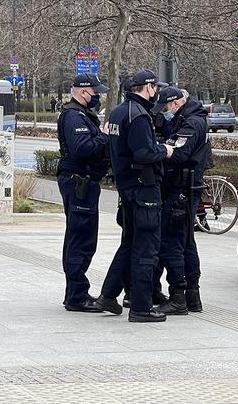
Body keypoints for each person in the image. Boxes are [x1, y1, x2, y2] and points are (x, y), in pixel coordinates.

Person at [95, 69, 174, 323]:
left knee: (129, 244)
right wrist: (165, 150)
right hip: (143, 189)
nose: (157, 93)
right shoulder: (139, 115)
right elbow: (143, 153)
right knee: (145, 248)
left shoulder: (119, 112)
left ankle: (108, 295)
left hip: (128, 188)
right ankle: (140, 306)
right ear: (148, 88)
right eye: (156, 88)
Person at [152, 87, 209, 314]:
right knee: (186, 242)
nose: (165, 112)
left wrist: (158, 149)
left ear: (175, 103)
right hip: (185, 188)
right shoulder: (187, 118)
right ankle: (192, 296)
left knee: (171, 240)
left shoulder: (191, 123)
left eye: (166, 108)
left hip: (182, 190)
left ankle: (178, 295)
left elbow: (179, 153)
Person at [56, 73, 110, 312]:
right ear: (82, 92)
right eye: (95, 92)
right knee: (81, 238)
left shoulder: (82, 115)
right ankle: (77, 295)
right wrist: (104, 137)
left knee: (80, 237)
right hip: (80, 183)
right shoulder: (73, 116)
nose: (97, 96)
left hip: (84, 182)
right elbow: (82, 149)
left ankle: (74, 292)